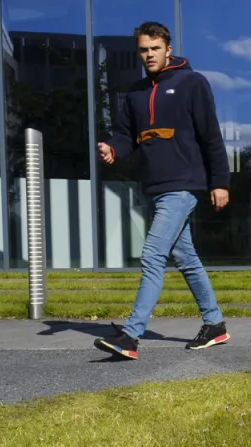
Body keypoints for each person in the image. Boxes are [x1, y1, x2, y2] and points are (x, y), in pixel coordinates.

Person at [92, 21, 232, 360]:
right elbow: (126, 136)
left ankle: (131, 336)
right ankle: (215, 324)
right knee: (185, 257)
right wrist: (113, 149)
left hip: (183, 184)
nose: (149, 54)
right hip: (154, 185)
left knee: (153, 255)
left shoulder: (192, 83)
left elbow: (211, 135)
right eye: (144, 50)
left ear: (168, 49)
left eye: (155, 48)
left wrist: (220, 182)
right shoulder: (136, 93)